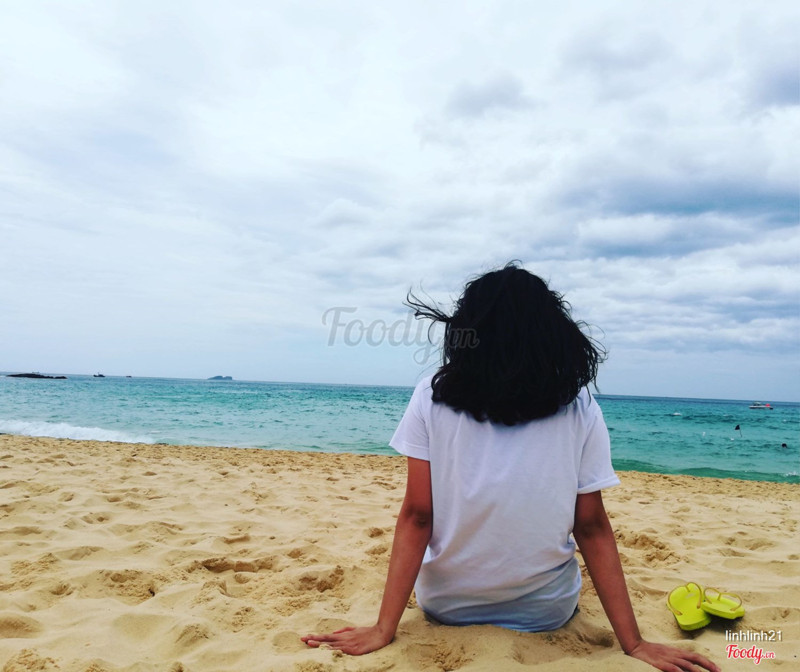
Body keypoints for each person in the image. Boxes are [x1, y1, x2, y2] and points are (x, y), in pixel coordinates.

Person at [303, 263, 719, 672]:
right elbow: (591, 526)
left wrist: (384, 628)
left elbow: (417, 516)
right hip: (546, 613)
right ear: (551, 334)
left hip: (447, 606)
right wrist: (634, 643)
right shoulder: (578, 405)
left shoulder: (431, 396)